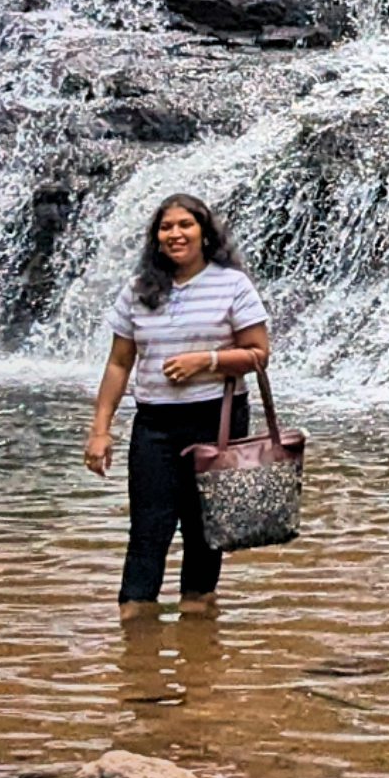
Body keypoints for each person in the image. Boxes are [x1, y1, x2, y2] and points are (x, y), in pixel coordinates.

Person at [84, 193, 271, 620]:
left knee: (205, 527)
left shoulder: (232, 285)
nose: (175, 234)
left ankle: (197, 623)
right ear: (156, 238)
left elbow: (258, 354)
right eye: (166, 227)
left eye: (185, 225)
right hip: (155, 422)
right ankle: (134, 621)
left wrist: (206, 361)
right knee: (148, 525)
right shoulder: (138, 290)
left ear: (204, 232)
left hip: (217, 418)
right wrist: (99, 430)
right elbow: (118, 363)